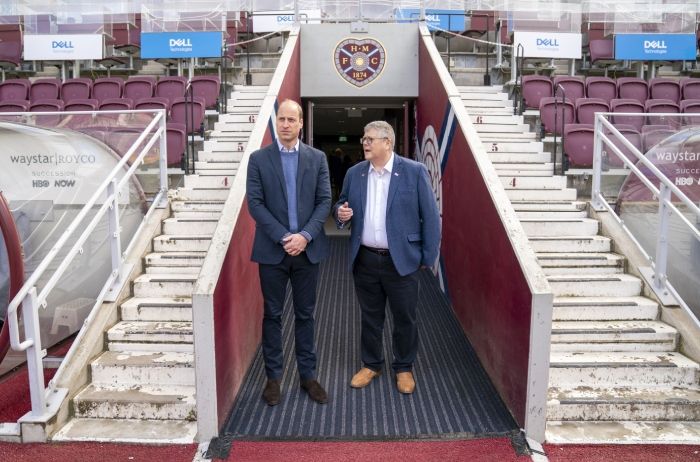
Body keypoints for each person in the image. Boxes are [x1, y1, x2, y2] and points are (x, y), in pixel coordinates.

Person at [333, 120, 440, 394]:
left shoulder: (414, 172)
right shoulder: (355, 173)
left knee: (405, 317)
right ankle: (371, 364)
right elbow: (341, 204)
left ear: (387, 142)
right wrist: (340, 214)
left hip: (401, 260)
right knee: (370, 317)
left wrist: (426, 258)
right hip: (365, 259)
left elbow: (430, 217)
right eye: (364, 138)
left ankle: (403, 367)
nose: (365, 143)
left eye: (370, 139)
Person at [246, 99, 331, 406]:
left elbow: (324, 201)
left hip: (307, 252)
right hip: (272, 252)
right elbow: (255, 204)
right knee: (273, 315)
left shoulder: (317, 158)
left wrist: (305, 236)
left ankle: (308, 376)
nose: (285, 124)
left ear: (300, 123)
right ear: (276, 122)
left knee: (306, 315)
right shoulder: (258, 159)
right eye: (281, 119)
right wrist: (285, 237)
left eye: (290, 120)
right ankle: (273, 379)